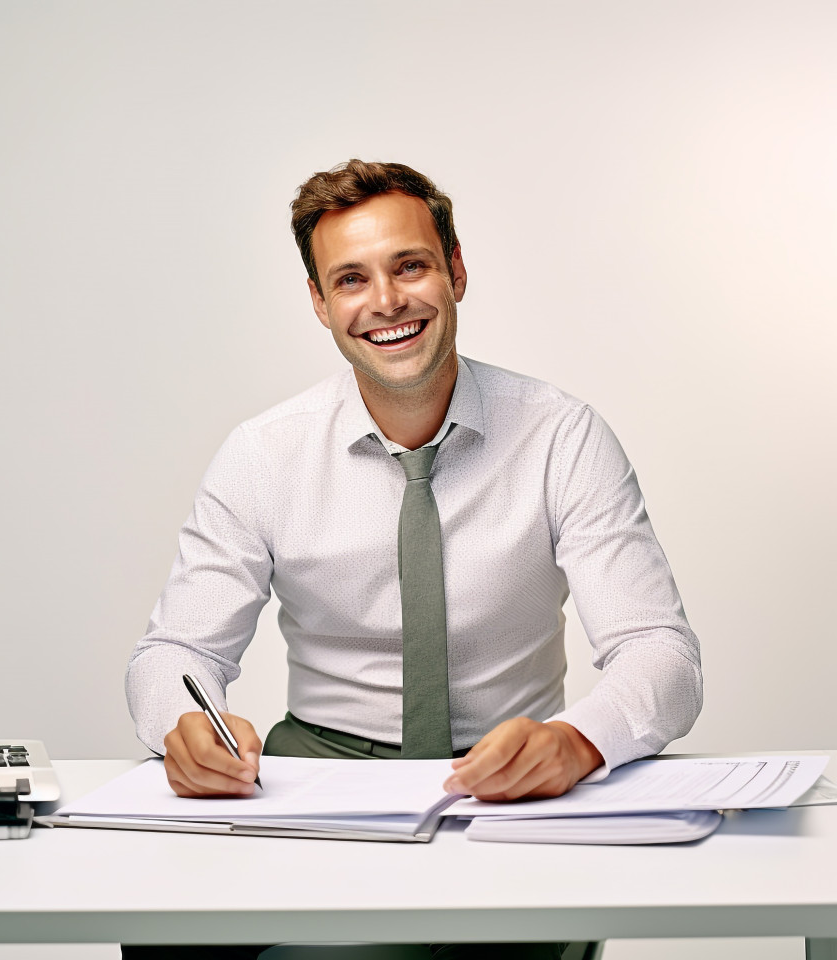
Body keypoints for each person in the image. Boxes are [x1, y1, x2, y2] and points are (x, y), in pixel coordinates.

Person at [124, 160, 702, 959]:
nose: (386, 302)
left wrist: (576, 743)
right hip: (316, 783)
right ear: (320, 304)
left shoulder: (562, 436)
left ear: (456, 271)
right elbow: (175, 652)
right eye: (351, 279)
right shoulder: (264, 454)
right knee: (158, 931)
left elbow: (659, 654)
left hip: (508, 790)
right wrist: (182, 726)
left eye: (411, 266)